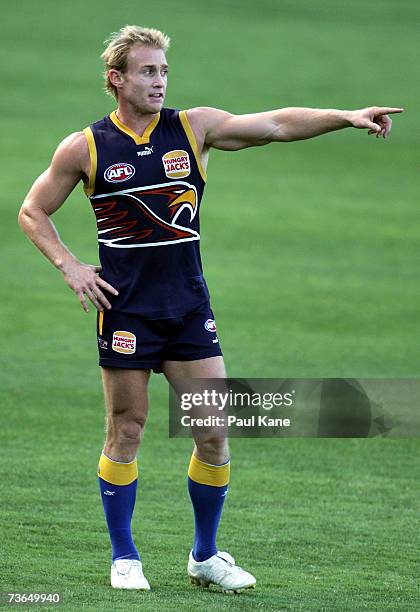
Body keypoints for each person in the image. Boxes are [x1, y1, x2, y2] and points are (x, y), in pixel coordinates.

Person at [18, 24, 403, 594]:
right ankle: (125, 557)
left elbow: (274, 124)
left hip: (188, 308)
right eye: (147, 71)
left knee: (214, 431)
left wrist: (343, 116)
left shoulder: (192, 127)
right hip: (125, 312)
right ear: (115, 79)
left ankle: (205, 555)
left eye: (164, 70)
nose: (159, 80)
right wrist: (71, 267)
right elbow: (32, 210)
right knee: (127, 429)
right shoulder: (86, 147)